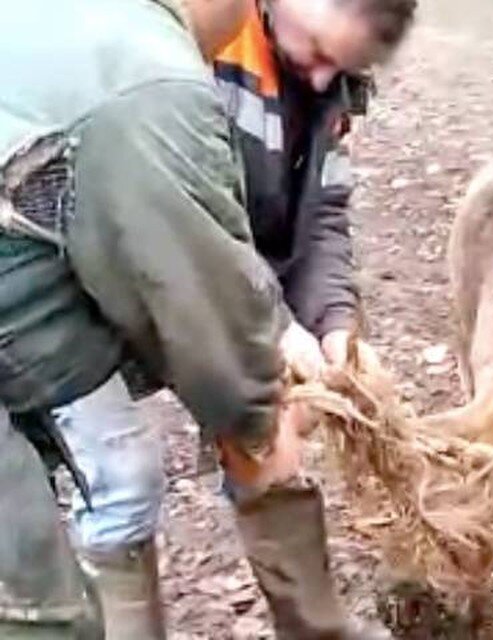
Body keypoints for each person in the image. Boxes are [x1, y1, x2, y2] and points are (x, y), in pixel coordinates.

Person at [49, 0, 415, 637]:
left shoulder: (324, 82)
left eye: (348, 68)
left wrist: (335, 326)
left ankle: (315, 628)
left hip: (193, 263)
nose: (327, 80)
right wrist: (273, 325)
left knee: (268, 428)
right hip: (66, 274)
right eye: (324, 53)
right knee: (121, 482)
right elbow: (180, 221)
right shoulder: (198, 48)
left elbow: (320, 215)